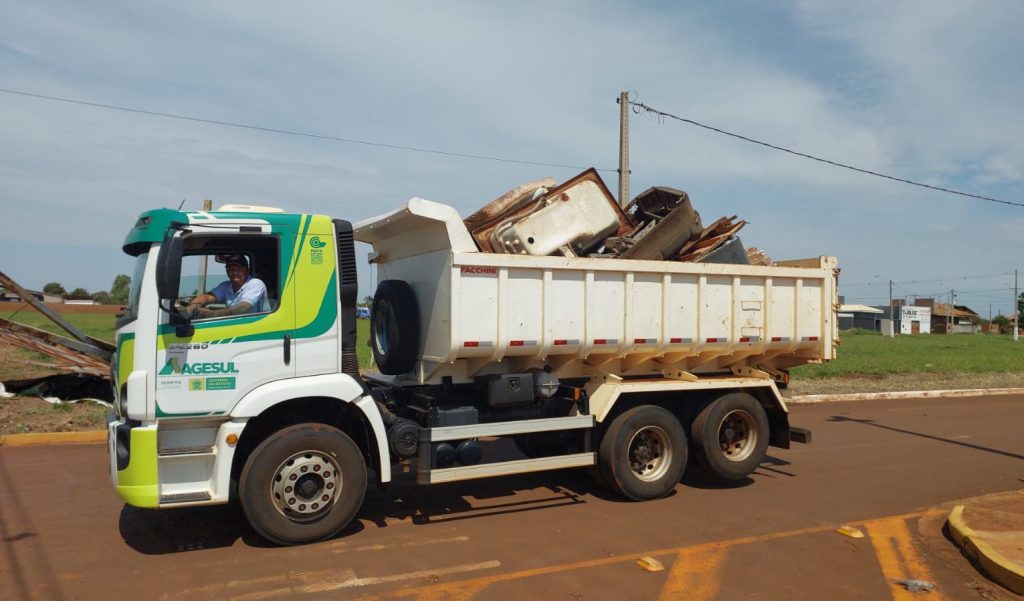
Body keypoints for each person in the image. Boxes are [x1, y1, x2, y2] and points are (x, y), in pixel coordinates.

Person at [182, 254, 269, 318]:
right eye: (230, 270)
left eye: (238, 269)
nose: (234, 273)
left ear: (247, 270)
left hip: (256, 327)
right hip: (237, 325)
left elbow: (243, 308)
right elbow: (207, 297)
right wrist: (193, 306)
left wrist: (211, 314)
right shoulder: (226, 286)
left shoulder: (255, 283)